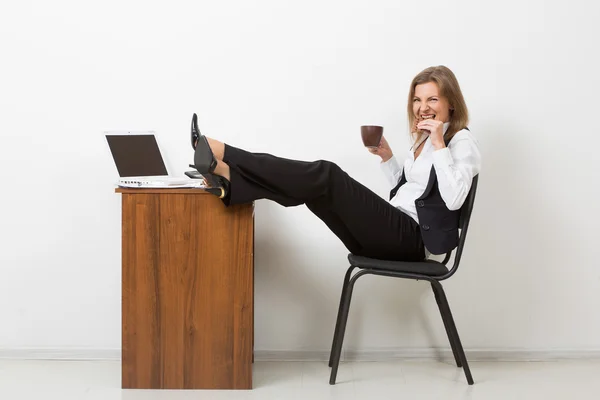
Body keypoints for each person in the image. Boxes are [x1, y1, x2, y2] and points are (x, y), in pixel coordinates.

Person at [190, 65, 481, 262]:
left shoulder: (460, 142)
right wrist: (388, 158)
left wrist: (441, 144)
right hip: (391, 231)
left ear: (450, 103)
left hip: (414, 240)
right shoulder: (422, 141)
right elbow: (411, 194)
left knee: (326, 174)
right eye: (417, 100)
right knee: (314, 189)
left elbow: (454, 200)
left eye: (432, 99)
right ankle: (232, 179)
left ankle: (228, 155)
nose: (422, 107)